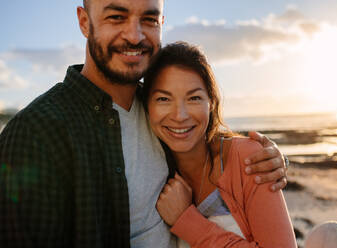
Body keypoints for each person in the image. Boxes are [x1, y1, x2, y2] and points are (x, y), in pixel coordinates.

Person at [0, 0, 288, 247]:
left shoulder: (154, 110)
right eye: (117, 16)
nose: (135, 35)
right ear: (85, 22)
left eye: (149, 19)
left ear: (161, 23)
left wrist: (268, 156)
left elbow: (206, 147)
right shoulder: (36, 132)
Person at [142, 41, 297, 247]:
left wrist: (186, 221)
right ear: (146, 106)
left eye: (194, 98)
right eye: (163, 99)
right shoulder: (149, 166)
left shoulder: (250, 160)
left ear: (211, 103)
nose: (179, 116)